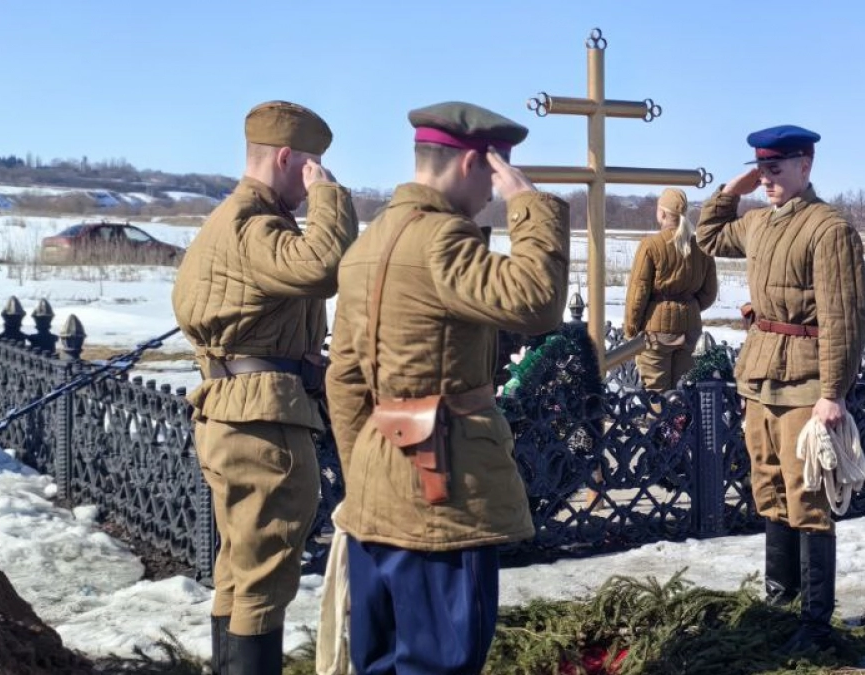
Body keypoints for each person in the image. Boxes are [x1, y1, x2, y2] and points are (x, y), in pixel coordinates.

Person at [325, 101, 570, 675]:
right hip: (444, 496)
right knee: (440, 661)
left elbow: (344, 380)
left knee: (378, 661)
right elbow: (536, 302)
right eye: (494, 175)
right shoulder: (443, 242)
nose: (492, 193)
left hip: (377, 492)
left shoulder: (366, 245)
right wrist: (527, 203)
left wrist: (365, 478)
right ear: (470, 165)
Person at [172, 100, 358, 674]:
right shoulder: (255, 226)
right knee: (264, 576)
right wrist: (329, 196)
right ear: (285, 158)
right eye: (308, 167)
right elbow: (323, 264)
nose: (310, 182)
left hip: (235, 409)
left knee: (241, 571)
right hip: (261, 422)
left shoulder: (228, 220)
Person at [696, 124, 865, 652]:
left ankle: (815, 621)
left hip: (806, 383)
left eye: (776, 168)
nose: (768, 178)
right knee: (770, 488)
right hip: (760, 377)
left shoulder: (828, 227)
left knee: (808, 495)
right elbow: (708, 234)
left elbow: (844, 317)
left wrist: (833, 392)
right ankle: (781, 601)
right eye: (762, 169)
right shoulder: (758, 222)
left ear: (806, 166)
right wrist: (733, 188)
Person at [623, 187, 718, 390]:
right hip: (691, 330)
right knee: (685, 392)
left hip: (657, 332)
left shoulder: (651, 245)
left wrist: (631, 328)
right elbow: (709, 293)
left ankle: (660, 423)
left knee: (657, 392)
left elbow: (637, 293)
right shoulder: (701, 246)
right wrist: (688, 307)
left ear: (663, 213)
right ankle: (681, 423)